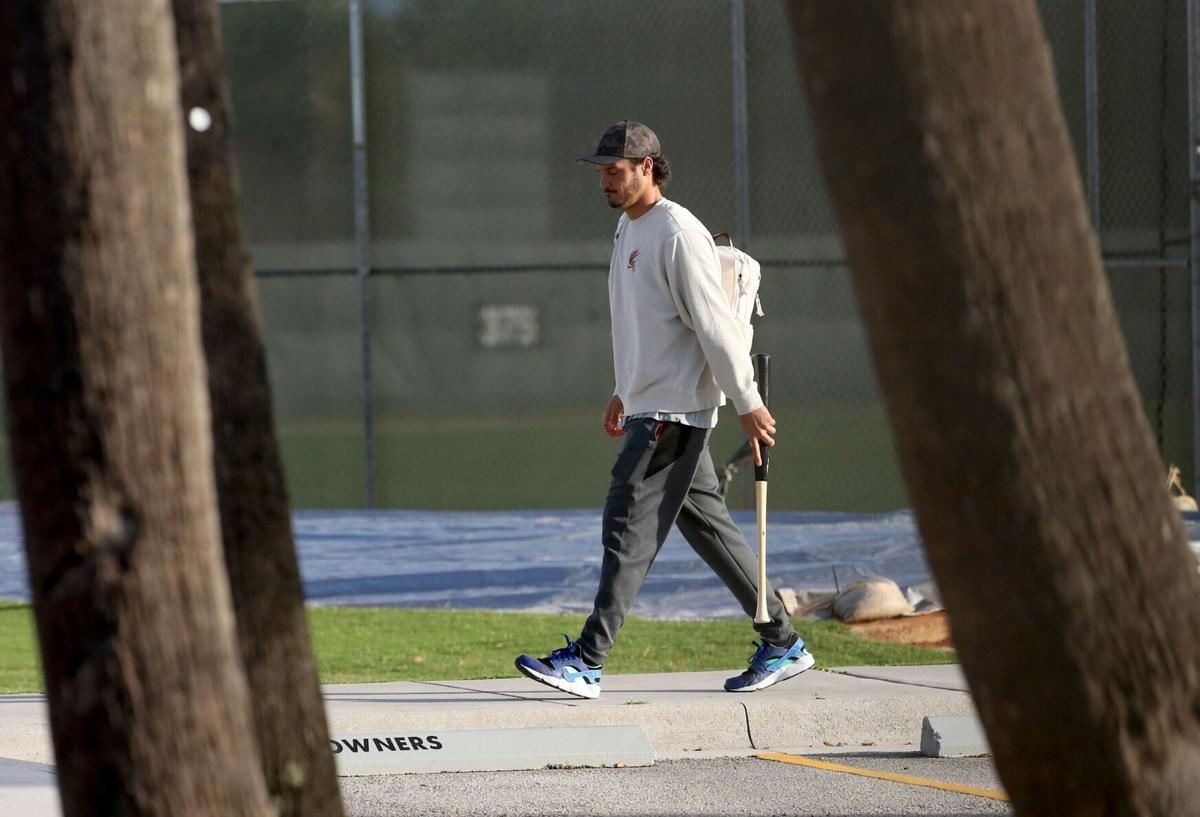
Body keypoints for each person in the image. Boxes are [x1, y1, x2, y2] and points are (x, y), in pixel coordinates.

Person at [515, 120, 813, 699]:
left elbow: (716, 327)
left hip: (672, 419)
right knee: (709, 529)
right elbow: (646, 326)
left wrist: (748, 403)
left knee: (626, 524)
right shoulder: (630, 230)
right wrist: (625, 389)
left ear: (647, 166)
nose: (605, 180)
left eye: (615, 170)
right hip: (655, 406)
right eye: (601, 171)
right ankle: (782, 640)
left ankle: (587, 660)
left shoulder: (677, 232)